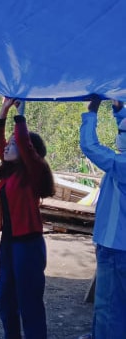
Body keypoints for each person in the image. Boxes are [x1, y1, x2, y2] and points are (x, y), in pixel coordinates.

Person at [0, 97, 55, 339]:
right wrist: (5, 108)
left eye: (13, 143)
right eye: (9, 144)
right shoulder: (10, 171)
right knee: (5, 296)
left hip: (28, 244)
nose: (7, 147)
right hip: (9, 243)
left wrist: (21, 114)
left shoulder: (33, 172)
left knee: (29, 300)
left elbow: (26, 147)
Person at [79, 95, 126, 339]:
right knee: (113, 302)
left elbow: (90, 146)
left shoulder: (122, 164)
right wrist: (119, 110)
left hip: (115, 247)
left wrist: (92, 110)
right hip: (116, 245)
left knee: (109, 305)